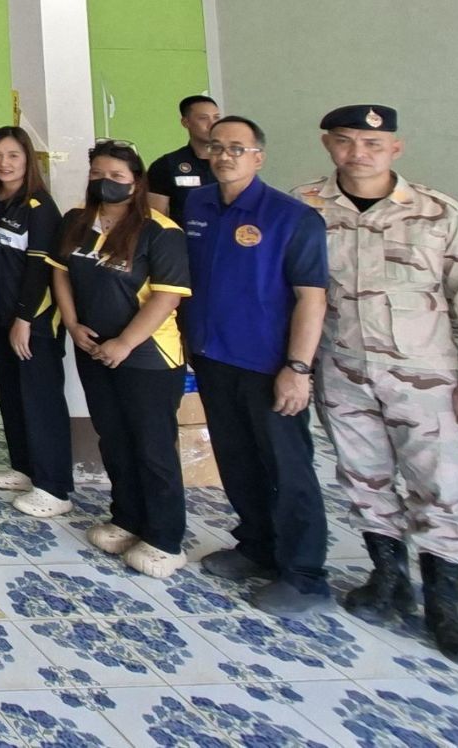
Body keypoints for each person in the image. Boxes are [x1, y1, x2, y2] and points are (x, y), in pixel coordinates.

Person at [297, 105, 458, 667]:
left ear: (395, 149)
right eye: (345, 141)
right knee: (363, 478)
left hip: (425, 375)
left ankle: (445, 607)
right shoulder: (304, 207)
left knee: (440, 485)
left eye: (372, 144)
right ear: (327, 144)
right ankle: (388, 579)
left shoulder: (438, 212)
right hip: (341, 369)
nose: (358, 153)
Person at [179, 115, 330, 613]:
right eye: (217, 147)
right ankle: (257, 546)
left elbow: (311, 299)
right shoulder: (198, 204)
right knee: (237, 459)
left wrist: (298, 368)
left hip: (269, 364)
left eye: (237, 148)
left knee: (287, 467)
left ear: (259, 157)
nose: (225, 156)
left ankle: (305, 575)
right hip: (213, 356)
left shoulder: (292, 217)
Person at [48, 140, 192, 579]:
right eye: (97, 174)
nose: (105, 182)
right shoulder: (78, 221)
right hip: (92, 348)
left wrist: (125, 343)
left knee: (152, 445)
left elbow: (166, 297)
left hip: (147, 357)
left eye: (116, 176)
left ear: (136, 181)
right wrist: (72, 324)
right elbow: (61, 272)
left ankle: (165, 538)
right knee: (112, 436)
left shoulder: (160, 231)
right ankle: (126, 518)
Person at [0, 128, 70, 513]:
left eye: (13, 155)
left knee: (40, 398)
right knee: (12, 392)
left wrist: (24, 318)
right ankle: (25, 468)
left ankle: (54, 488)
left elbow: (40, 269)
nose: (4, 163)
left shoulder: (40, 207)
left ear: (28, 159)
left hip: (33, 320)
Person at [148, 96, 221, 220]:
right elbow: (157, 220)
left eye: (216, 118)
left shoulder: (232, 162)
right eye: (203, 118)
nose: (212, 124)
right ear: (185, 122)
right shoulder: (166, 165)